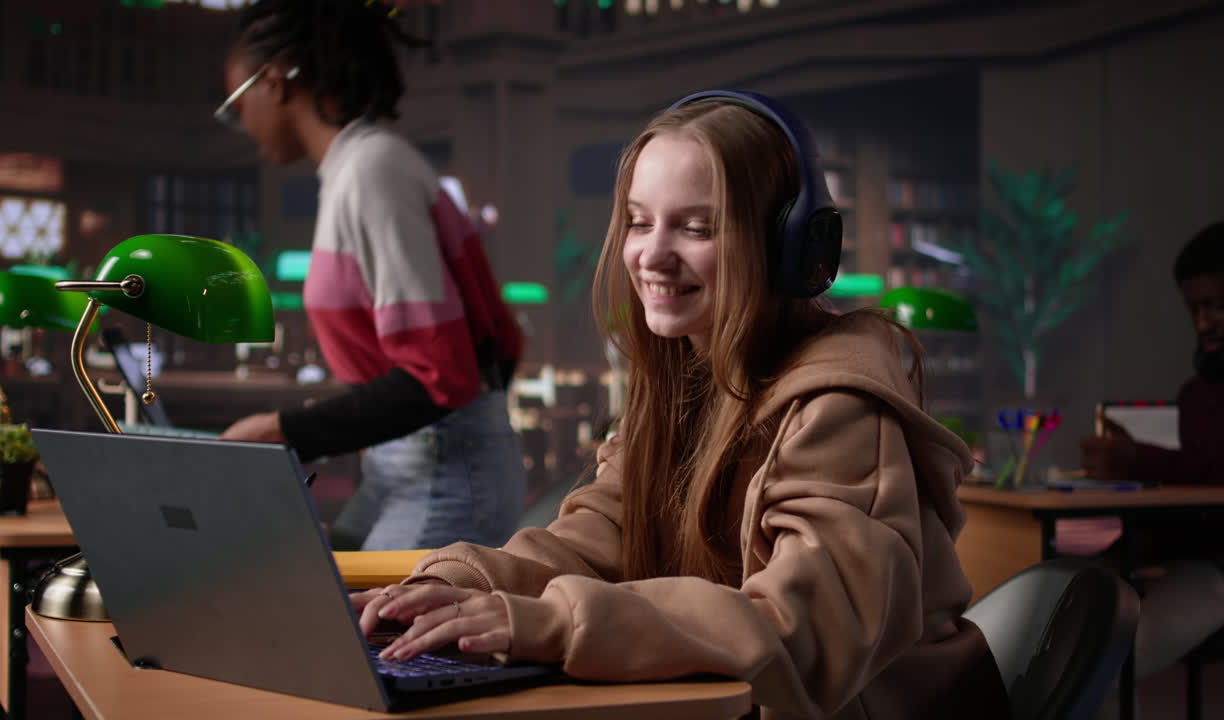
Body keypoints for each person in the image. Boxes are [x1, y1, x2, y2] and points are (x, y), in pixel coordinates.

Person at [349, 92, 1009, 719]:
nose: (652, 255)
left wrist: (555, 622)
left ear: (790, 246)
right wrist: (456, 583)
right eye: (639, 221)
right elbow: (602, 535)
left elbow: (807, 634)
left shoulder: (842, 409)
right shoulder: (680, 380)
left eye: (697, 227)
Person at [214, 0, 528, 552]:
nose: (241, 125)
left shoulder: (371, 170)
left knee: (361, 634)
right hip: (411, 461)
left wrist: (281, 430)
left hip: (443, 470)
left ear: (275, 81)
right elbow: (490, 352)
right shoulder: (353, 171)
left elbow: (442, 375)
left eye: (236, 106)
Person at [1079, 221, 1224, 681]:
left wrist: (1136, 460)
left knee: (1098, 668)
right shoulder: (1198, 393)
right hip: (1190, 563)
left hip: (1213, 576)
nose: (1202, 324)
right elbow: (1198, 494)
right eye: (1193, 309)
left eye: (1217, 307)